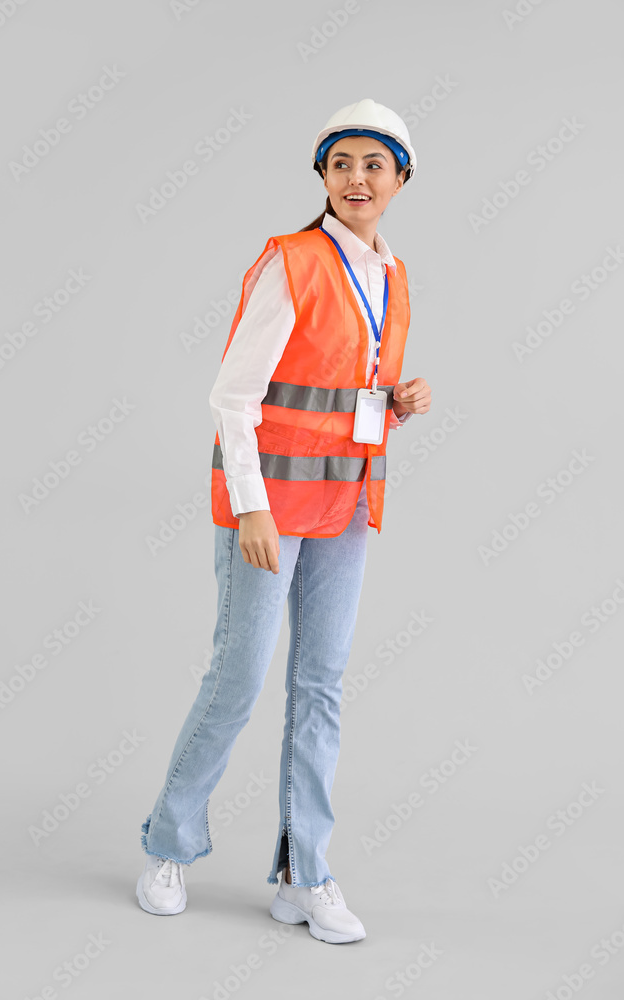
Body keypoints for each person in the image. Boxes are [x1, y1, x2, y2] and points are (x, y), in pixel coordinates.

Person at [136, 98, 432, 944]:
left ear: (400, 179)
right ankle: (169, 844)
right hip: (268, 509)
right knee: (237, 681)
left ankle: (307, 872)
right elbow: (233, 397)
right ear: (322, 177)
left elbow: (338, 393)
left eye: (373, 164)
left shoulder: (394, 275)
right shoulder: (292, 261)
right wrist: (255, 509)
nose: (356, 179)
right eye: (340, 163)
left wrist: (396, 403)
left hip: (344, 504)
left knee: (320, 688)